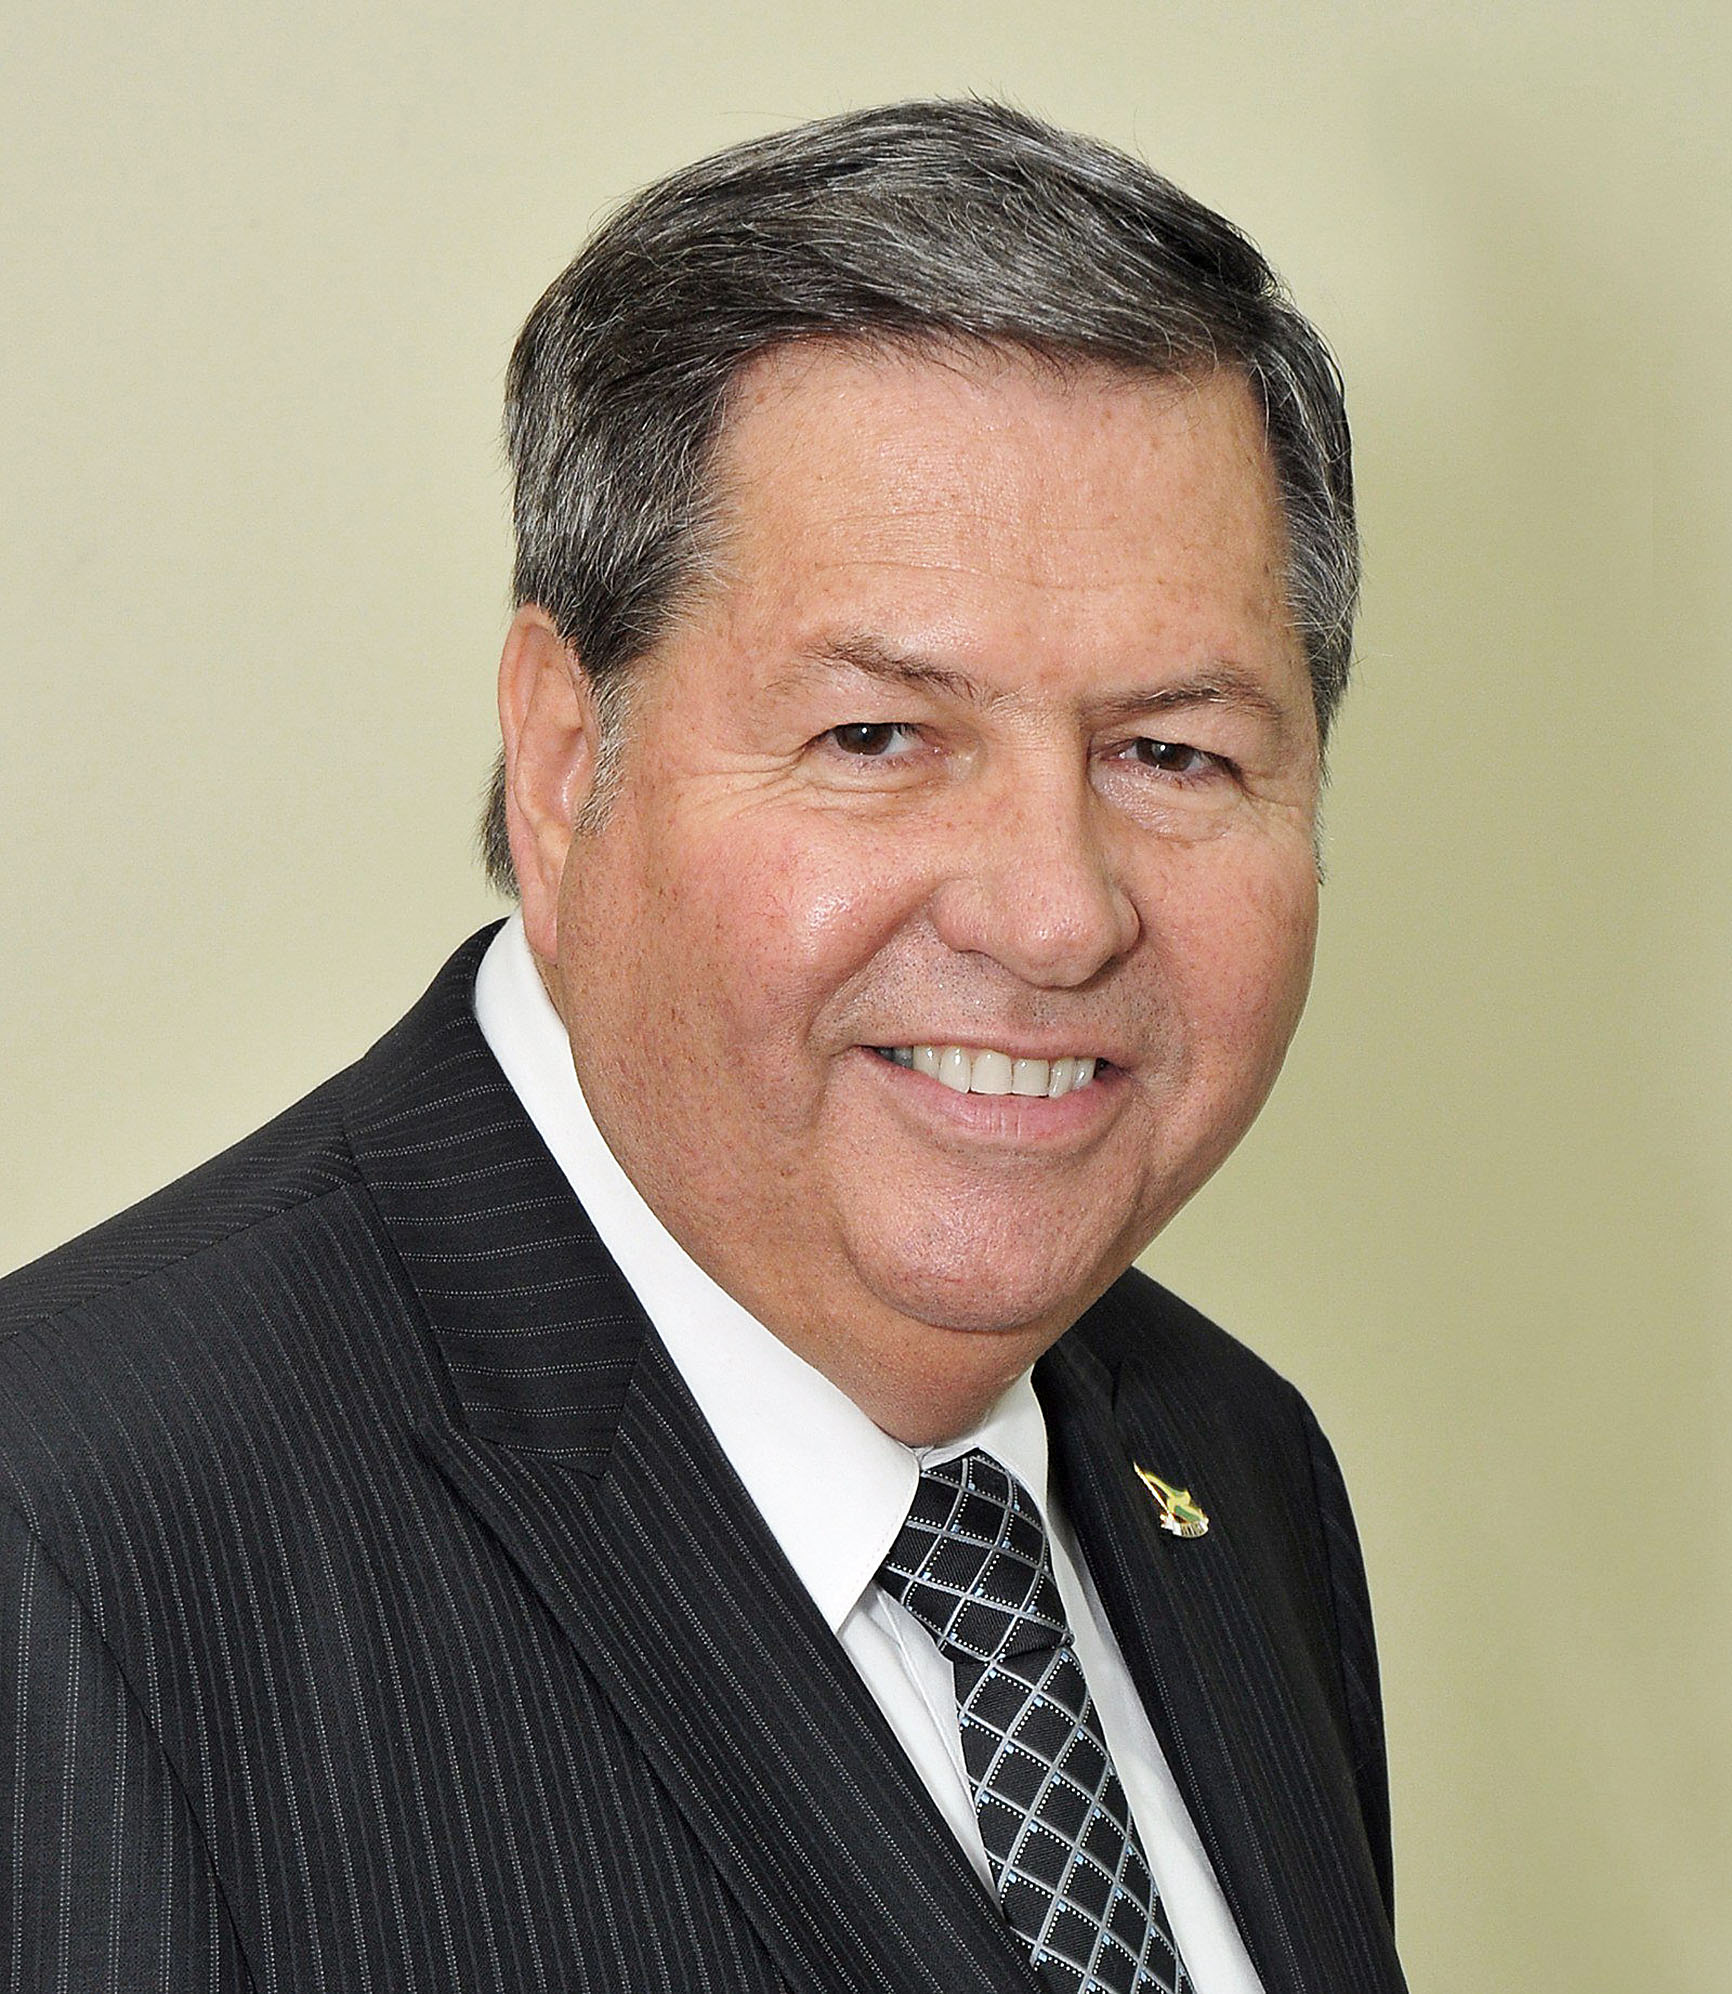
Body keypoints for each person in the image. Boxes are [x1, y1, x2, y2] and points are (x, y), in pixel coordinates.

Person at [0, 101, 1405, 1994]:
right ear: (565, 762)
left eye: (1173, 753)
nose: (1056, 913)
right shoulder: (67, 1550)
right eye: (877, 737)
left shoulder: (1233, 1463)